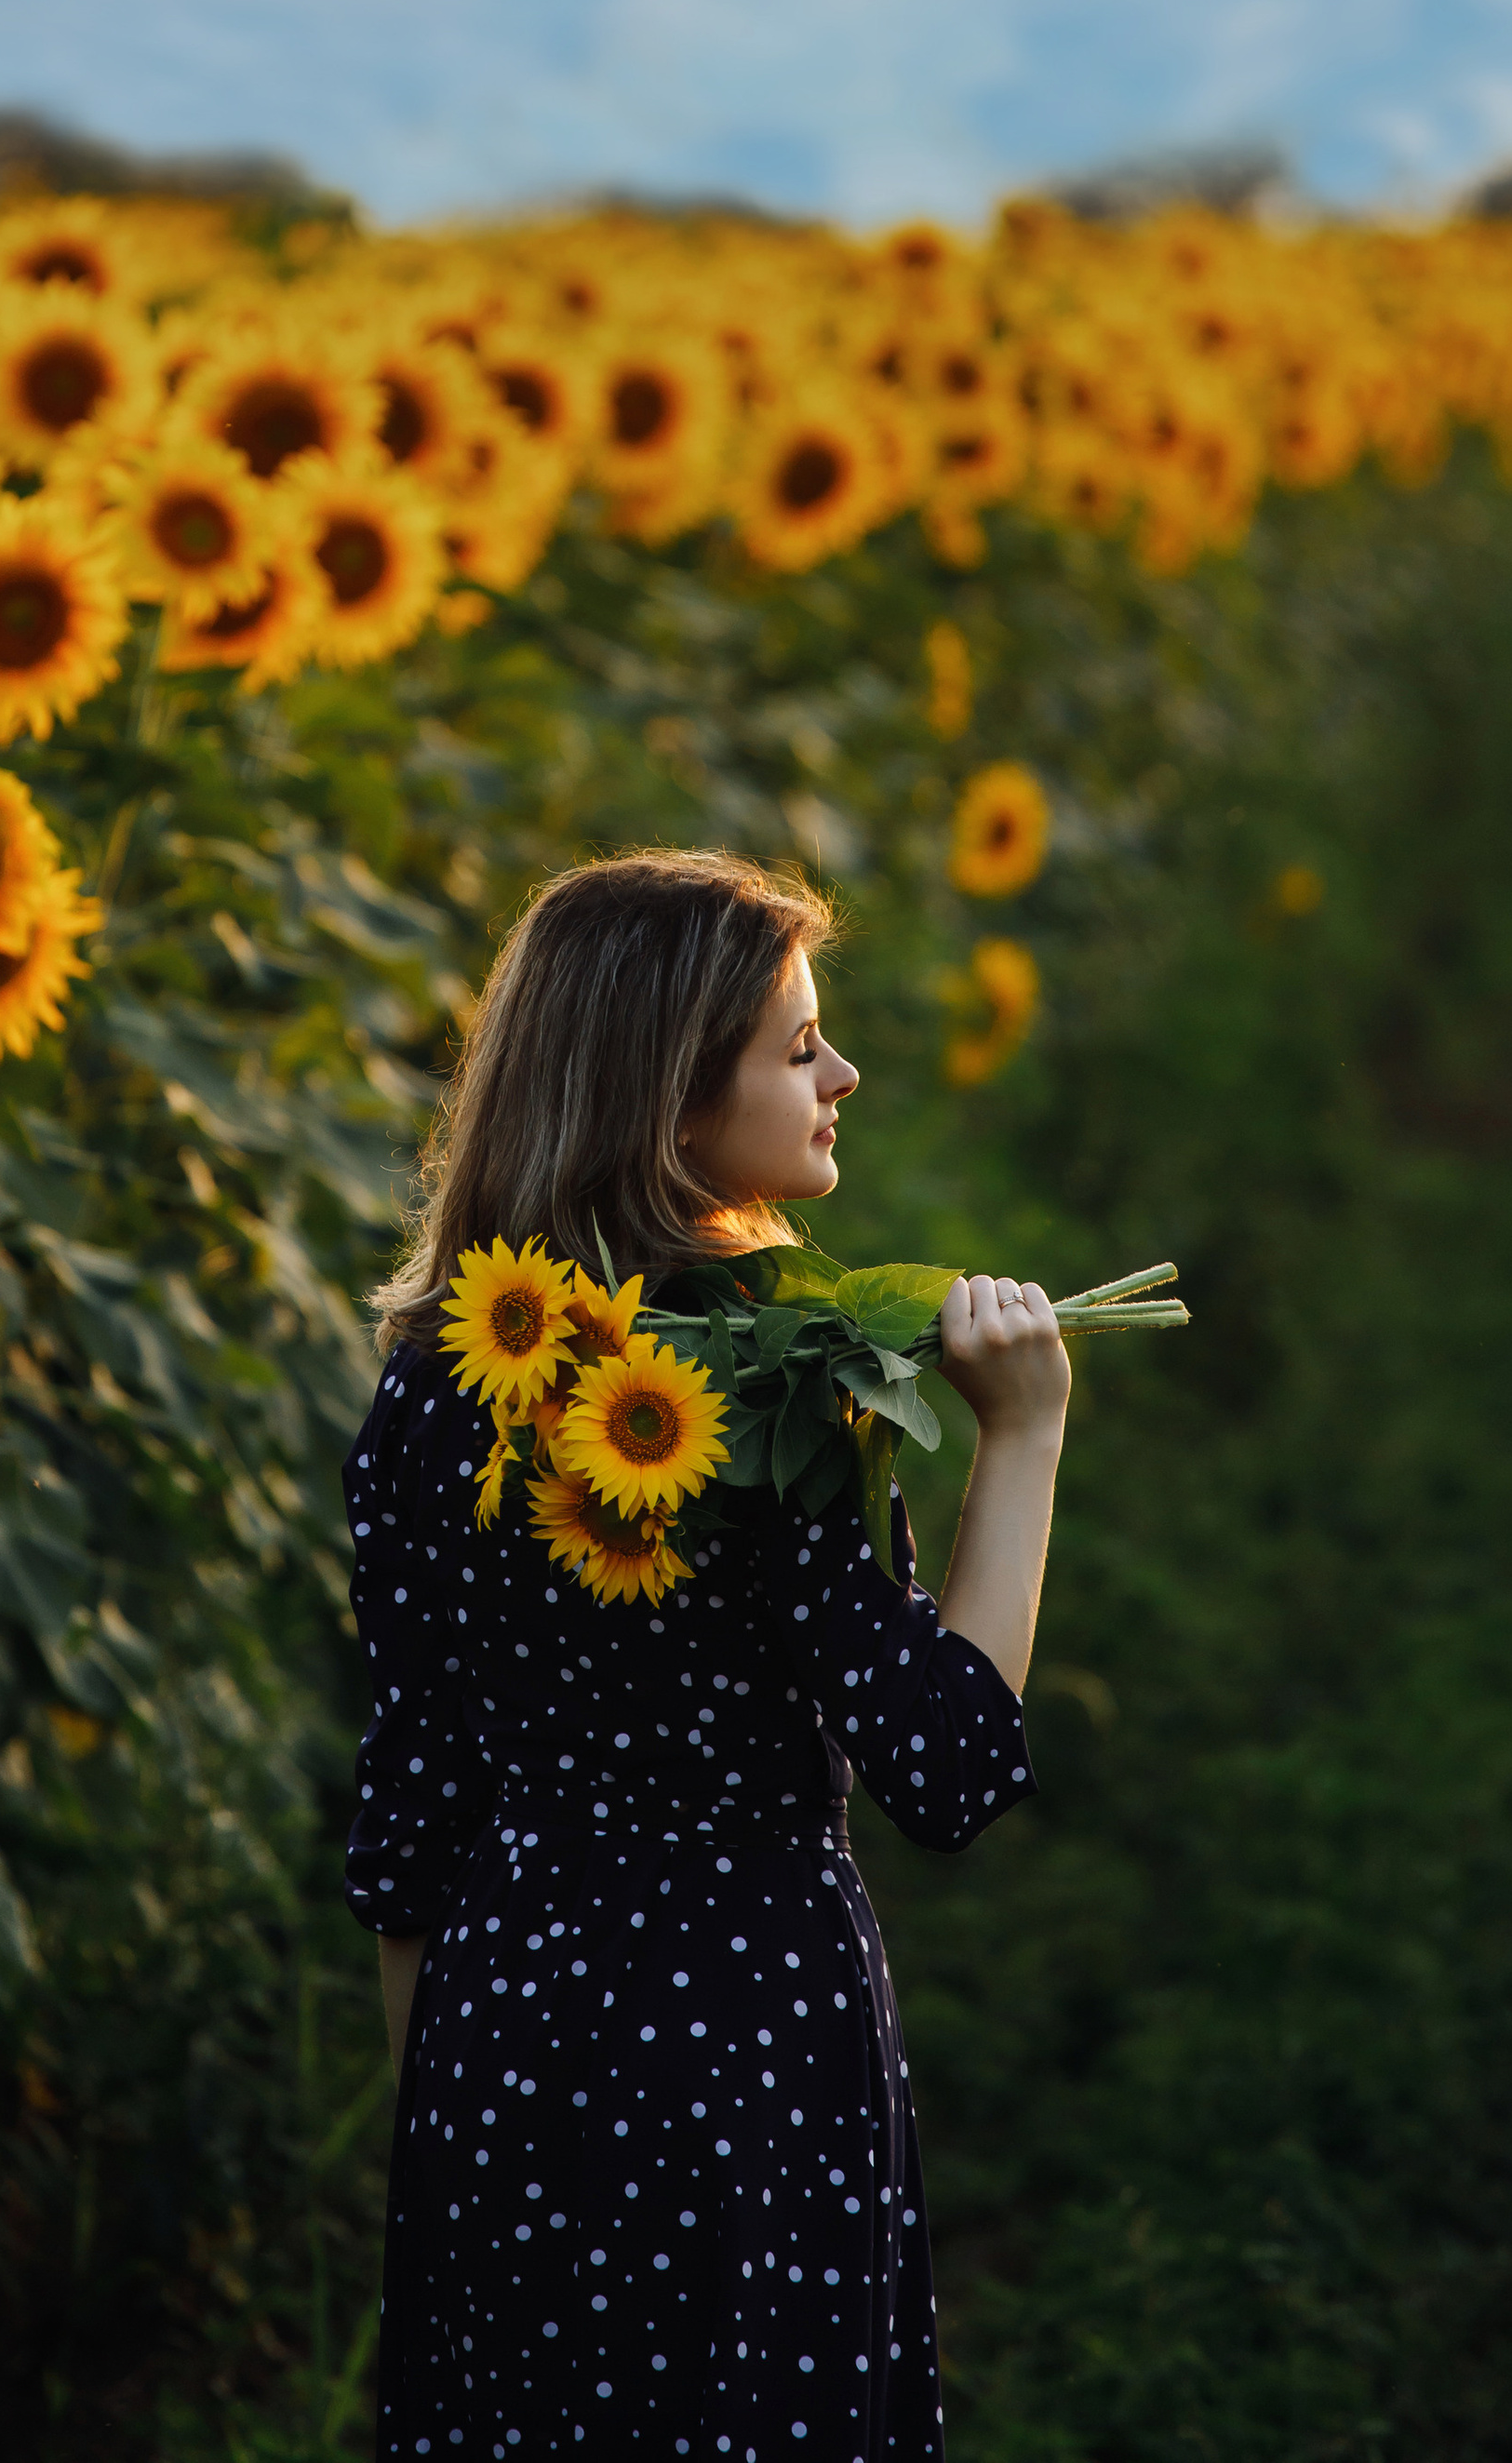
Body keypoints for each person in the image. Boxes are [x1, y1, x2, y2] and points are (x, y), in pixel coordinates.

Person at [341, 847, 1070, 2462]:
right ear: (675, 1107)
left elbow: (412, 1820)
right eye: (800, 1044)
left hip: (501, 2036)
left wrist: (445, 2142)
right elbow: (947, 1766)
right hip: (741, 2052)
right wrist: (1022, 1437)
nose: (843, 1075)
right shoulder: (748, 1399)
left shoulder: (432, 1391)